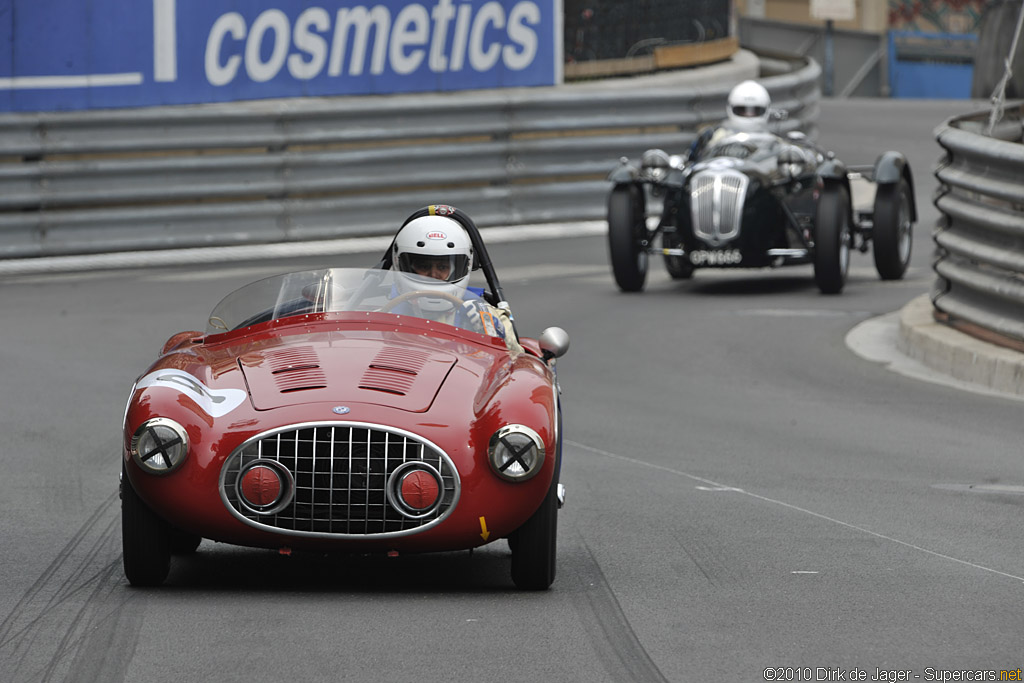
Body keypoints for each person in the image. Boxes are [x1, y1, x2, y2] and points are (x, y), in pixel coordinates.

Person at [389, 213, 513, 342]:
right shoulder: (382, 312)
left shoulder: (487, 315)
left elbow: (515, 358)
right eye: (423, 266)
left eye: (442, 267)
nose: (433, 275)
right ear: (400, 264)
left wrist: (491, 333)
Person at [688, 80, 773, 159]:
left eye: (755, 111)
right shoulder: (712, 136)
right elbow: (692, 160)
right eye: (742, 110)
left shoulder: (772, 142)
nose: (748, 115)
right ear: (731, 108)